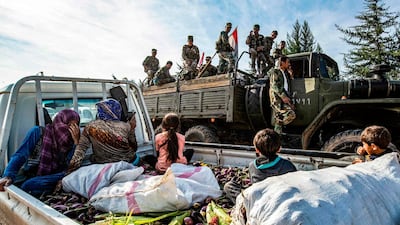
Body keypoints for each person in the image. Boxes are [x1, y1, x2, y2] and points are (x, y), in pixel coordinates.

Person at [0, 109, 80, 197]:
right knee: (29, 184)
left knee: (30, 185)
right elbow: (21, 155)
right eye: (68, 125)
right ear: (59, 122)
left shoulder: (72, 141)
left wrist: (77, 143)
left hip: (58, 176)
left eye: (75, 126)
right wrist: (8, 175)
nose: (72, 129)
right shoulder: (38, 133)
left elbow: (72, 166)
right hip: (36, 175)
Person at [66, 99, 139, 175]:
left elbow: (80, 151)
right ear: (118, 111)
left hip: (102, 165)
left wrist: (70, 172)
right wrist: (132, 128)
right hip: (126, 163)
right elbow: (134, 148)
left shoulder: (90, 127)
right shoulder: (126, 126)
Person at [223, 128, 297, 203]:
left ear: (257, 150)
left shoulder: (252, 166)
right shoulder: (287, 165)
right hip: (280, 201)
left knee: (228, 186)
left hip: (257, 201)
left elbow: (254, 188)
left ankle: (244, 205)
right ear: (279, 149)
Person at [269, 55, 296, 134]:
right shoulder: (275, 71)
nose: (289, 64)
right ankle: (276, 132)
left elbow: (288, 86)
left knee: (281, 116)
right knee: (290, 114)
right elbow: (274, 85)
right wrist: (283, 96)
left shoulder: (285, 73)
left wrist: (291, 74)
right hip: (277, 98)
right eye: (288, 62)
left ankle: (277, 135)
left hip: (284, 97)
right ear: (282, 62)